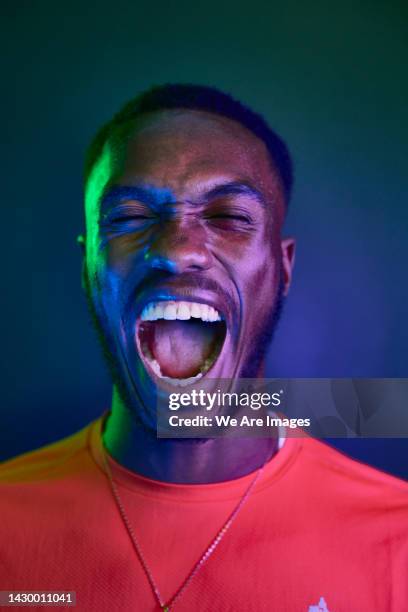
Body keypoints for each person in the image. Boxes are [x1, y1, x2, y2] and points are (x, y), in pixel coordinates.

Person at [1, 84, 406, 612]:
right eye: (129, 218)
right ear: (87, 270)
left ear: (282, 269)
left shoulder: (397, 544)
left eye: (228, 217)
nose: (177, 251)